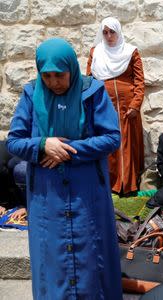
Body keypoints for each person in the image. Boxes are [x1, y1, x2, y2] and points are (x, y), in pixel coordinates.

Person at [7, 38, 123, 299]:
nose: (53, 82)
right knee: (53, 257)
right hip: (48, 199)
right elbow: (14, 141)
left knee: (91, 256)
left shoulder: (92, 92)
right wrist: (43, 145)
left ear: (71, 68)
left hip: (87, 195)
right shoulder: (30, 94)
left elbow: (112, 137)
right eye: (46, 75)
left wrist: (69, 151)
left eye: (59, 75)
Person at [86, 16, 145, 196]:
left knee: (127, 145)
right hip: (104, 106)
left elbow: (140, 81)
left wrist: (135, 105)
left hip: (128, 109)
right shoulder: (96, 53)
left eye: (112, 32)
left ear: (118, 32)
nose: (109, 36)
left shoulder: (130, 51)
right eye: (105, 32)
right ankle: (109, 184)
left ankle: (128, 185)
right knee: (108, 143)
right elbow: (89, 80)